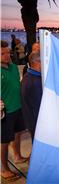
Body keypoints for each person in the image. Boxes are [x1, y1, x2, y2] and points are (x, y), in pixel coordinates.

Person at [1, 41, 27, 180]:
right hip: (5, 112)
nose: (7, 56)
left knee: (18, 134)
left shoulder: (12, 66)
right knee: (3, 141)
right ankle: (4, 169)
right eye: (2, 54)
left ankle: (17, 156)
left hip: (18, 107)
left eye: (7, 53)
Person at [21, 51, 42, 140]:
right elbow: (39, 105)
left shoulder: (28, 76)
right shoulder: (34, 81)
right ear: (38, 63)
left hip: (32, 120)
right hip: (37, 122)